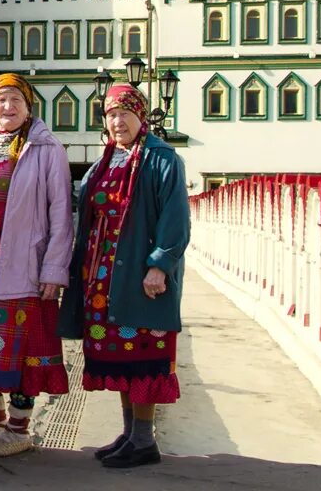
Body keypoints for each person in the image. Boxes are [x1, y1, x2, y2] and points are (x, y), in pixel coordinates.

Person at [60, 84, 190, 469]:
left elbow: (175, 217)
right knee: (120, 358)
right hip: (102, 277)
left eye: (126, 114)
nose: (118, 122)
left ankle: (144, 439)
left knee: (144, 355)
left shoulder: (161, 158)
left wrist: (159, 265)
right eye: (111, 115)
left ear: (141, 117)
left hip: (138, 273)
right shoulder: (107, 161)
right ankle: (131, 433)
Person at [0, 73, 72, 457]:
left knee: (23, 348)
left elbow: (61, 212)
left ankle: (20, 427)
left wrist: (54, 270)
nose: (7, 107)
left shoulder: (46, 147)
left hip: (22, 262)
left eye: (15, 100)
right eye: (1, 100)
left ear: (28, 106)